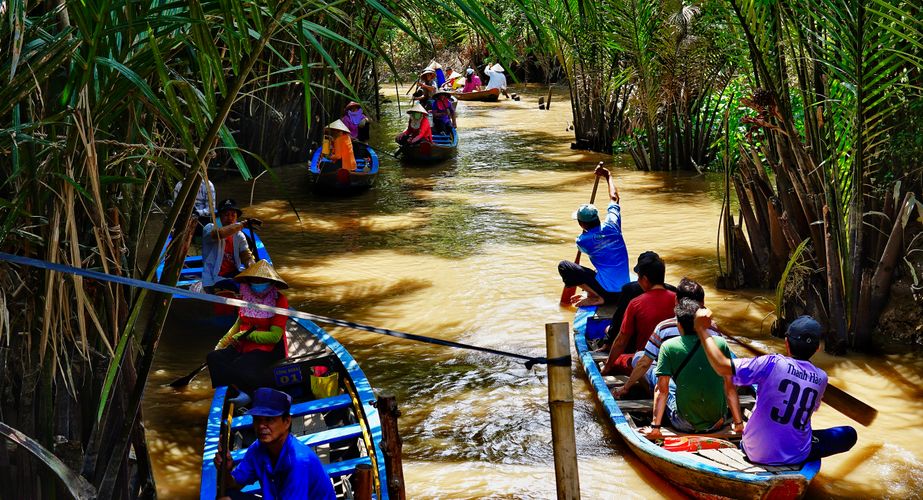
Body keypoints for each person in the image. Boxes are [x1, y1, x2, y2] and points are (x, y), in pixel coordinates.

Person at [691, 310, 858, 465]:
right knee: (849, 434)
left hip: (754, 452)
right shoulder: (821, 378)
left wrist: (702, 330)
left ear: (786, 343)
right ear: (817, 348)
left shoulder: (771, 363)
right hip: (796, 454)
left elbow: (722, 366)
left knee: (760, 388)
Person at [638, 298, 743, 439]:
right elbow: (730, 388)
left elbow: (661, 391)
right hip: (718, 421)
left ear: (679, 325)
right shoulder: (720, 343)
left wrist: (655, 428)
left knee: (662, 382)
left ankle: (658, 423)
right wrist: (738, 423)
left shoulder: (668, 347)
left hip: (683, 423)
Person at [214, 387, 337, 500]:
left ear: (287, 422)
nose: (261, 426)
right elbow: (235, 484)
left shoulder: (298, 460)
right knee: (229, 495)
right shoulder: (257, 448)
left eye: (269, 419)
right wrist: (225, 469)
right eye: (257, 419)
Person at [613, 277, 722, 398]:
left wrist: (625, 387)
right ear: (702, 303)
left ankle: (652, 395)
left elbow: (644, 363)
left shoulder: (665, 327)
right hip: (704, 381)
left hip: (675, 383)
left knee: (640, 357)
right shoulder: (712, 327)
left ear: (676, 300)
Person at [207, 260, 290, 392]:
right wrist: (221, 344)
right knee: (214, 357)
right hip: (243, 344)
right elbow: (238, 324)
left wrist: (247, 335)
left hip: (268, 349)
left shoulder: (279, 300)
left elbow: (274, 336)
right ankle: (230, 390)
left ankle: (248, 394)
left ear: (271, 283)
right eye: (254, 281)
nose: (257, 285)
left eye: (261, 281)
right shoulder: (246, 297)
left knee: (240, 365)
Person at [557, 165, 630, 306]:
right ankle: (596, 294)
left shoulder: (582, 241)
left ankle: (596, 296)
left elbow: (588, 248)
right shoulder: (613, 224)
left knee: (564, 266)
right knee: (601, 266)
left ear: (581, 224)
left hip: (607, 294)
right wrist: (608, 175)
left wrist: (585, 234)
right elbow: (614, 198)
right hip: (624, 291)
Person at [600, 251, 676, 376]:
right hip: (674, 358)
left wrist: (608, 366)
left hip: (646, 361)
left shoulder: (636, 303)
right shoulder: (678, 297)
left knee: (618, 361)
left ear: (644, 279)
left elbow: (621, 340)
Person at [201, 199, 256, 293]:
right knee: (238, 287)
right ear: (220, 217)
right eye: (226, 215)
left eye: (233, 215)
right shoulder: (210, 228)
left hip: (234, 273)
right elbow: (220, 234)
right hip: (214, 277)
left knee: (259, 285)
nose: (230, 218)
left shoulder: (239, 235)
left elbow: (246, 255)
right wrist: (243, 224)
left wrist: (254, 270)